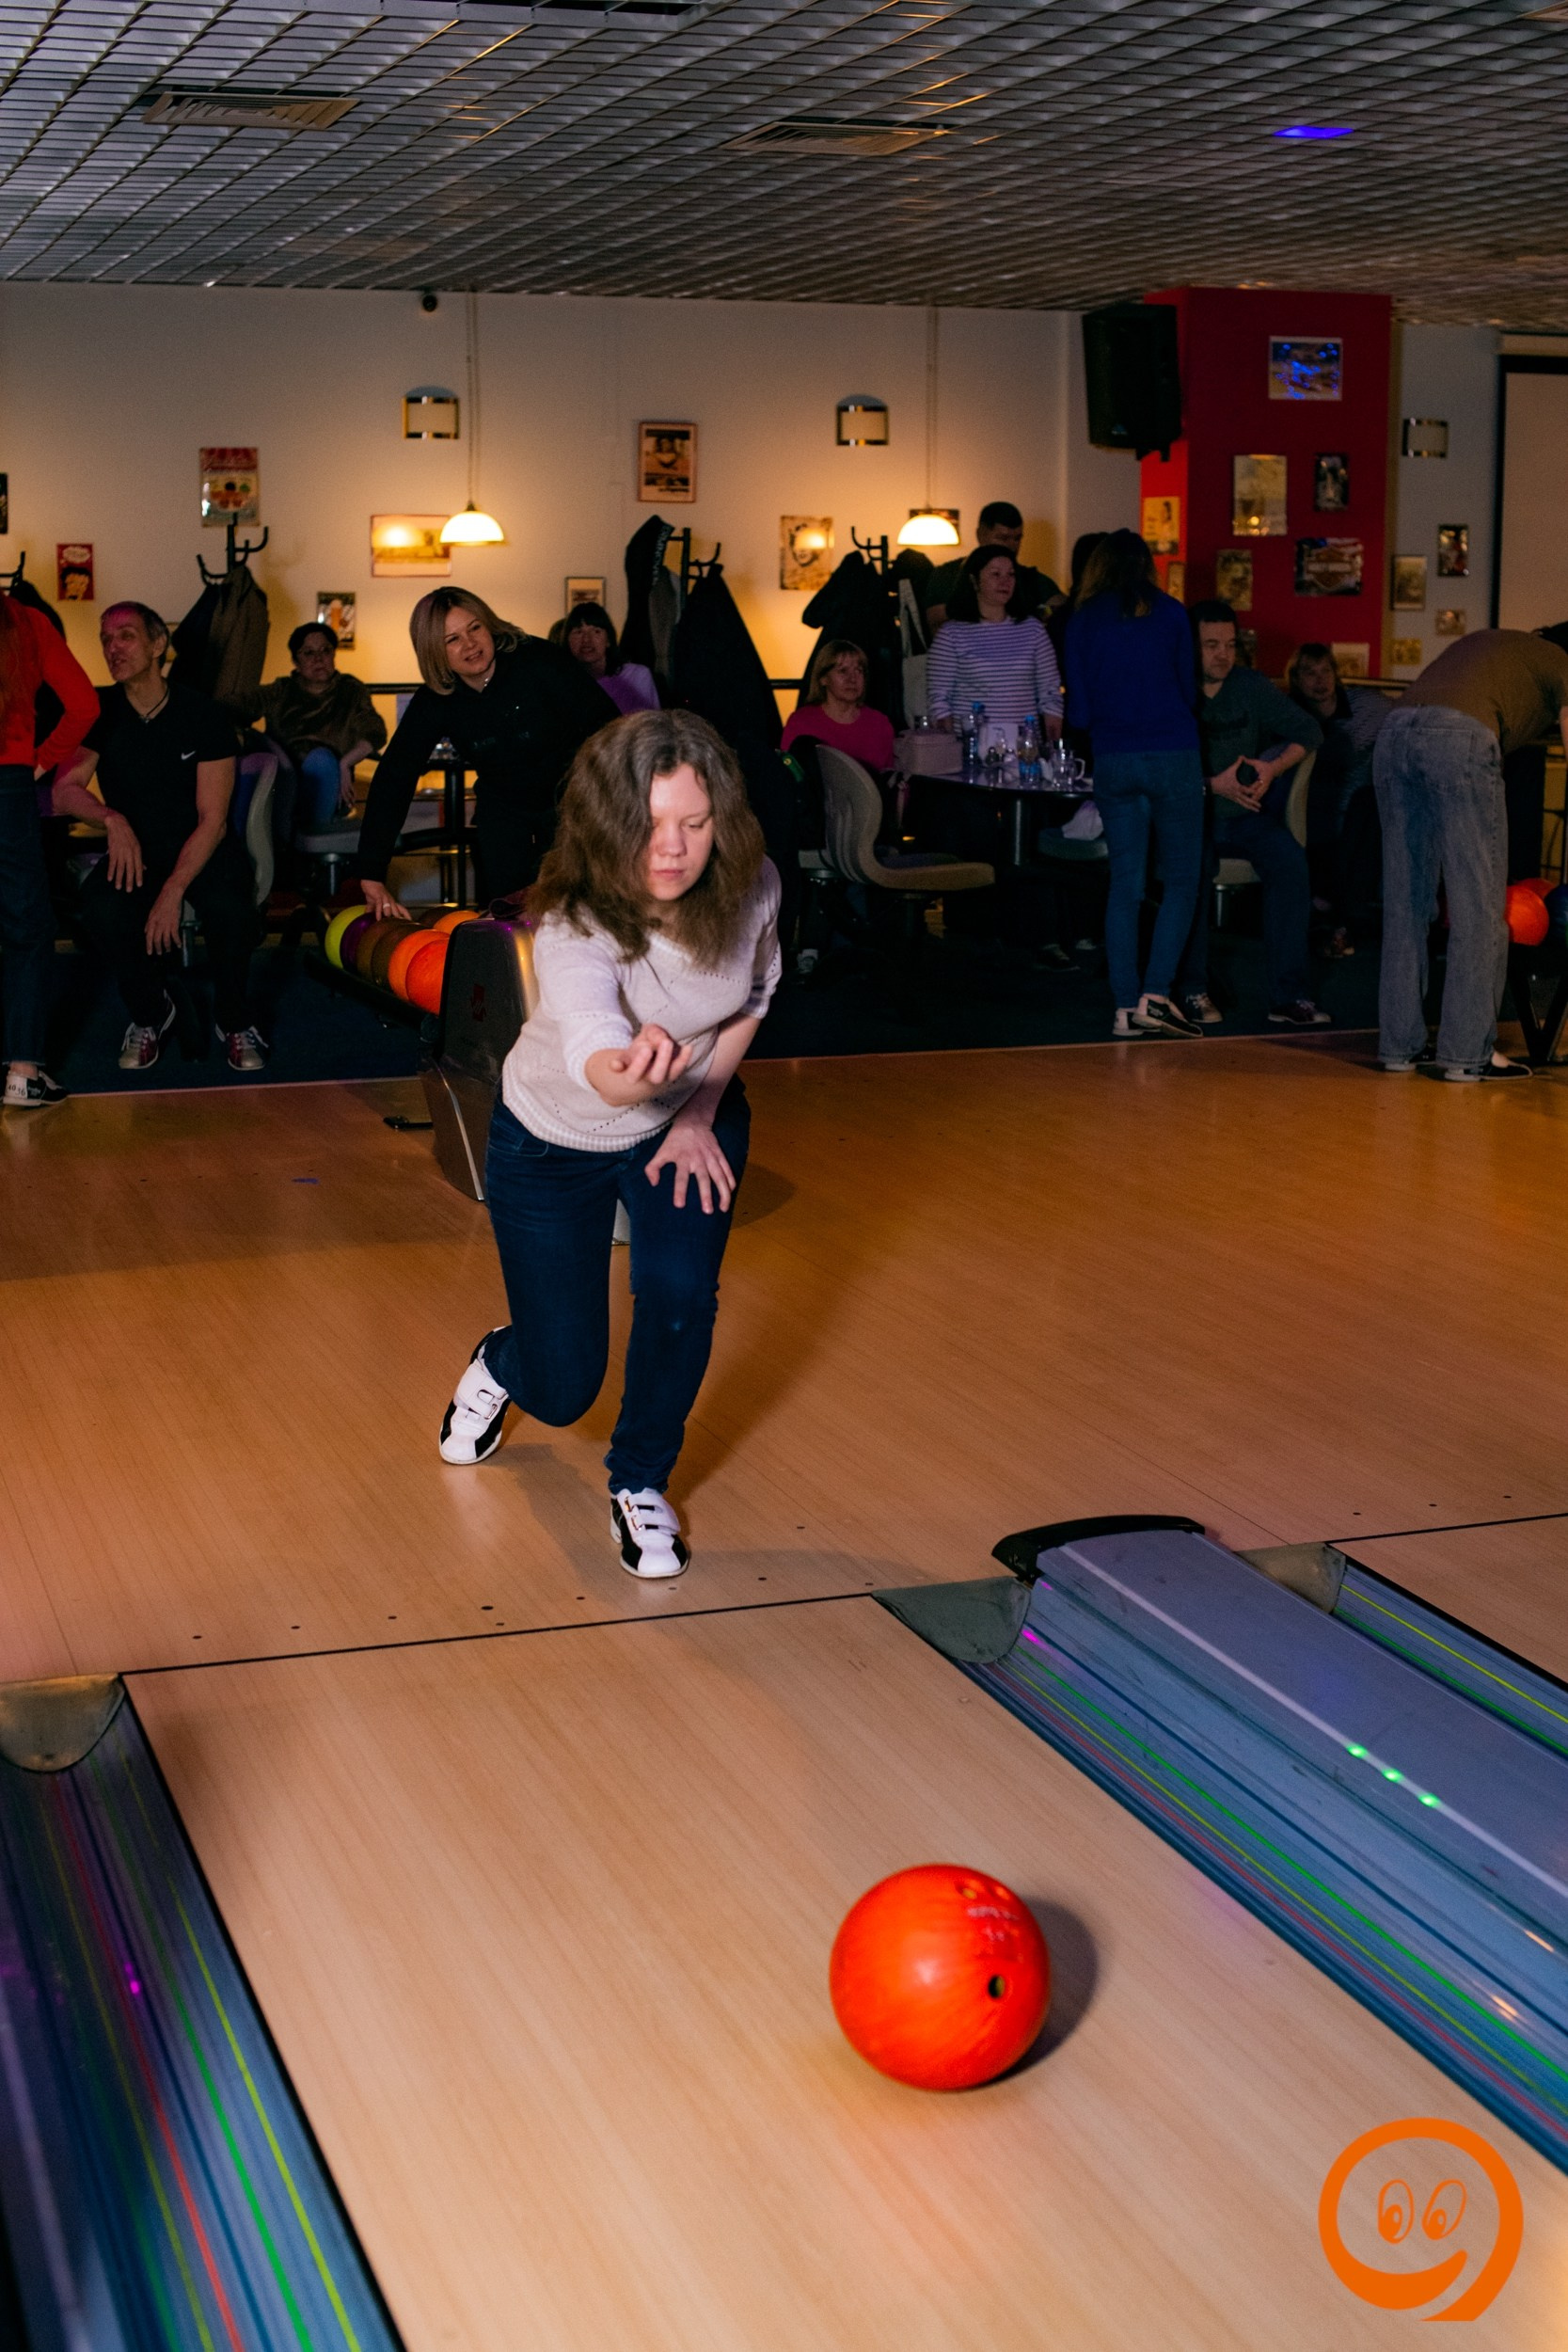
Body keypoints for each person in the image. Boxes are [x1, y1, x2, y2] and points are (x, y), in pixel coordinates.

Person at [436, 707, 781, 1581]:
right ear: (605, 825)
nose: (673, 849)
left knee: (679, 1297)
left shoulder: (751, 883)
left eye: (694, 823)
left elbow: (752, 996)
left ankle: (640, 1482)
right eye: (649, 825)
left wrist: (694, 1107)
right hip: (555, 1138)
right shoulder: (573, 919)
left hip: (690, 1114)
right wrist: (632, 1075)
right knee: (562, 1389)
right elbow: (596, 1052)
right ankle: (506, 1358)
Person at [52, 602, 267, 1073]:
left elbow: (213, 819)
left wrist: (173, 890)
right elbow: (65, 790)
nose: (113, 648)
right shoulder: (101, 711)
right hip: (137, 851)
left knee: (231, 911)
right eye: (106, 639)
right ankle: (152, 1012)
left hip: (202, 847)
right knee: (101, 910)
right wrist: (111, 819)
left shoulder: (203, 713)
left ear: (157, 645)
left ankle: (234, 1021)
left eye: (125, 636)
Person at [1375, 628, 1568, 1080]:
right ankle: (1466, 1056)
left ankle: (1399, 1049)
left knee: (1406, 905)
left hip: (1394, 734)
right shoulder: (1562, 662)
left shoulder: (1502, 645)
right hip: (1459, 739)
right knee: (1478, 909)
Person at [356, 587, 616, 918]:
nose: (470, 644)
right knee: (508, 915)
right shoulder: (436, 699)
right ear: (434, 652)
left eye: (475, 628)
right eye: (452, 639)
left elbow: (610, 729)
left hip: (571, 801)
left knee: (574, 912)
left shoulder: (538, 659)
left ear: (489, 625)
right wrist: (371, 871)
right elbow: (395, 777)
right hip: (503, 809)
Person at [1065, 531, 1205, 1038]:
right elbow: (1189, 693)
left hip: (1114, 758)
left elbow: (1078, 713)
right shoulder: (1171, 614)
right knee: (1182, 882)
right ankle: (1156, 996)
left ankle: (1124, 1006)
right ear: (1147, 565)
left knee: (1125, 886)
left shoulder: (1082, 621)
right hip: (1173, 754)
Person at [1174, 602, 1327, 1030]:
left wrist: (1272, 768)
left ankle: (1288, 996)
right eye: (1211, 645)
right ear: (1191, 646)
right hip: (1193, 815)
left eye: (1230, 644)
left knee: (1290, 863)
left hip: (1244, 815)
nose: (1223, 654)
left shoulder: (1250, 686)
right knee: (1193, 870)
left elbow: (1310, 732)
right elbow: (1161, 771)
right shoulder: (1175, 688)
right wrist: (1212, 785)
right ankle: (1192, 989)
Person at [0, 593, 99, 1108]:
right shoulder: (28, 621)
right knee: (26, 926)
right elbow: (85, 705)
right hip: (8, 784)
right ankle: (23, 1073)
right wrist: (39, 761)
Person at [226, 622, 387, 829]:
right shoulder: (281, 690)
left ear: (333, 654)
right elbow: (238, 706)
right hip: (283, 780)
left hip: (329, 780)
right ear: (296, 661)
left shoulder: (350, 691)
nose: (319, 659)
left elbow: (375, 731)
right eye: (309, 653)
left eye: (325, 650)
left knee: (322, 760)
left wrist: (346, 763)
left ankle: (312, 838)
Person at [1288, 644, 1388, 956]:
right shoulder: (1290, 715)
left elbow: (1408, 713)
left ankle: (1341, 919)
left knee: (1367, 805)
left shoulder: (1366, 707)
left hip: (1356, 810)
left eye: (1326, 671)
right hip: (1312, 812)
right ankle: (1336, 920)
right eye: (1310, 673)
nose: (1320, 680)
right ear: (1297, 679)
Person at [927, 548, 1063, 730]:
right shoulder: (951, 634)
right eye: (995, 574)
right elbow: (939, 699)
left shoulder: (1033, 630)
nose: (1005, 582)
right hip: (971, 741)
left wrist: (1052, 737)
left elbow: (1050, 692)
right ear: (974, 580)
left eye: (1011, 575)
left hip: (1023, 741)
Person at [924, 502, 1062, 631]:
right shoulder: (947, 575)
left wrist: (1038, 613)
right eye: (1003, 538)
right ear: (981, 535)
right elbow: (937, 624)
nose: (1012, 546)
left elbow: (1061, 609)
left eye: (1017, 539)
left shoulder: (1030, 577)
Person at [781, 639, 897, 772]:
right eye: (843, 671)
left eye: (858, 671)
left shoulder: (879, 724)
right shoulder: (801, 722)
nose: (852, 679)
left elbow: (888, 777)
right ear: (823, 679)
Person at [563, 602, 659, 716]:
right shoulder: (562, 681)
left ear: (608, 640)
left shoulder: (636, 676)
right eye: (578, 632)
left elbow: (652, 722)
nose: (586, 639)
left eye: (596, 631)